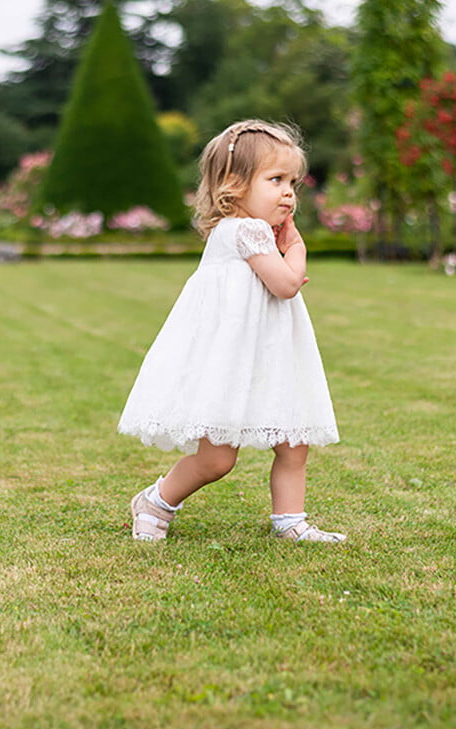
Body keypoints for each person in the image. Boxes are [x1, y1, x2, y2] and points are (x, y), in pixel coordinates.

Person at [118, 119, 345, 544]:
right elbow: (286, 285)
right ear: (234, 185)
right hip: (237, 360)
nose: (289, 193)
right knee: (217, 458)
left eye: (292, 182)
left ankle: (290, 520)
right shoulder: (246, 230)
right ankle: (155, 501)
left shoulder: (245, 230)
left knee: (293, 440)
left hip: (264, 351)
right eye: (275, 180)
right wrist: (296, 248)